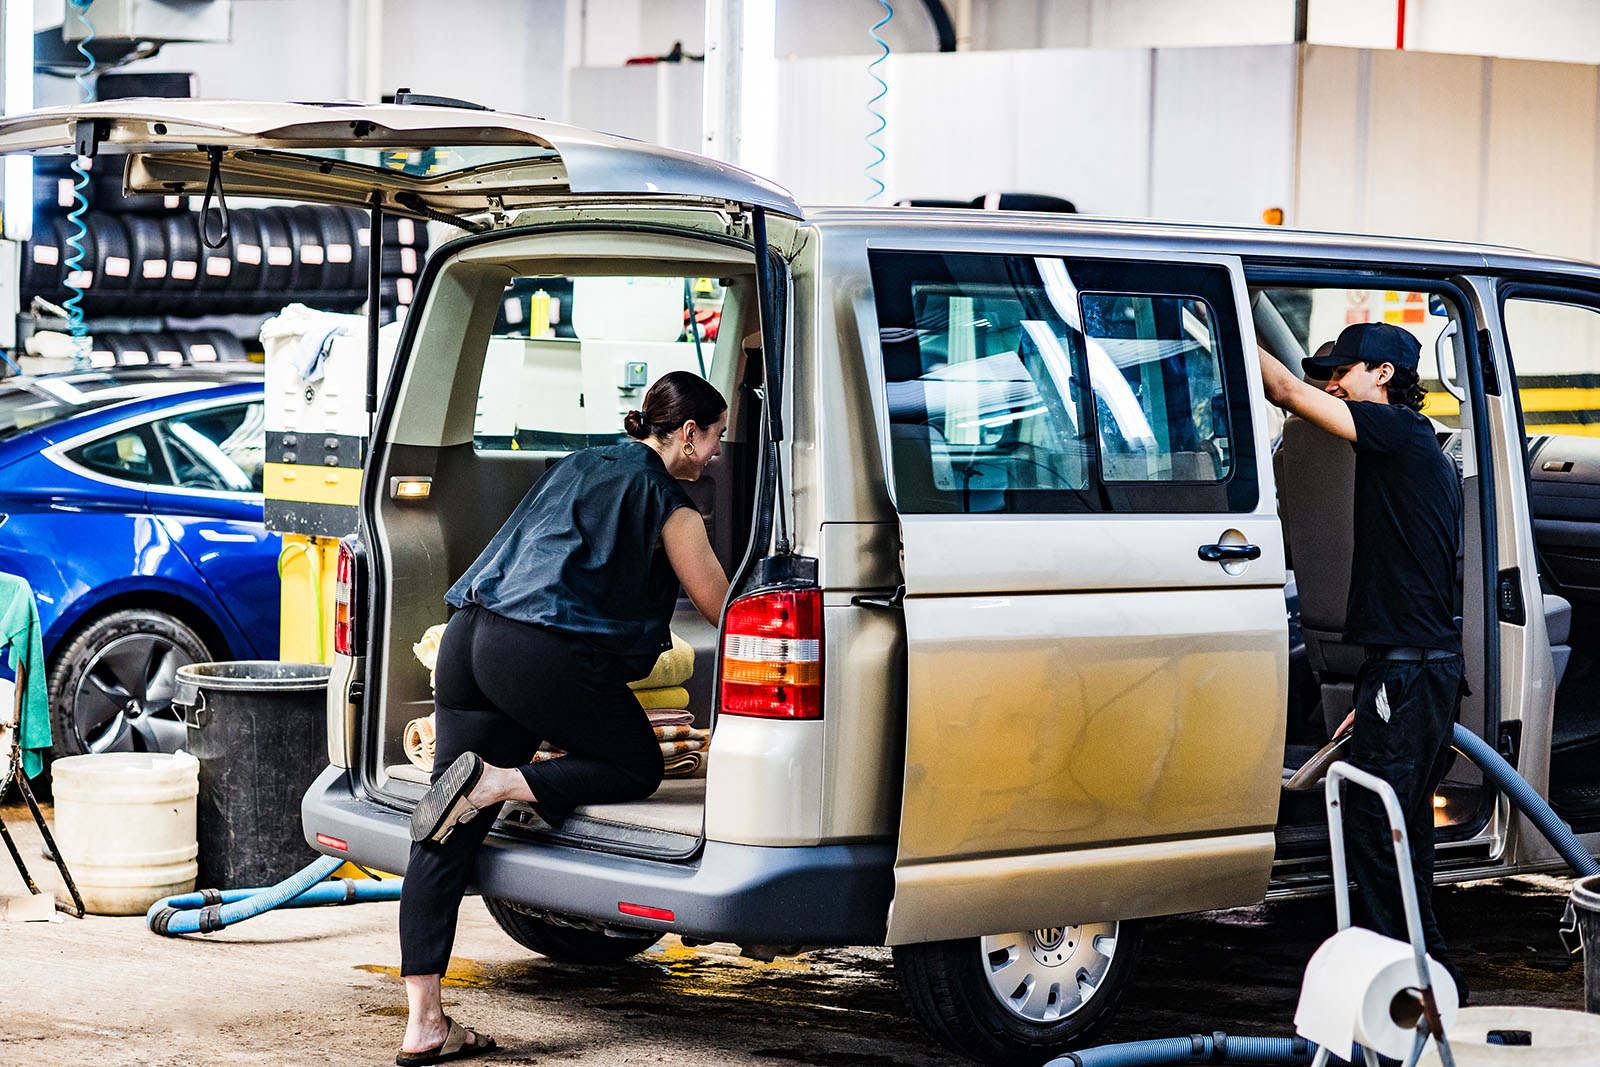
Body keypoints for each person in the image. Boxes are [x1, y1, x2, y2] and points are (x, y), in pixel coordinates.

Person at [395, 370, 731, 1065]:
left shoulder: (579, 463)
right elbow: (721, 607)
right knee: (634, 763)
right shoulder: (671, 503)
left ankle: (424, 1023)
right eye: (717, 436)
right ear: (688, 433)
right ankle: (498, 781)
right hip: (535, 650)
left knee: (444, 830)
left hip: (467, 635)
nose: (719, 453)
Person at [1258, 322, 1466, 991]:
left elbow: (1287, 391)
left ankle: (1414, 990)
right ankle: (1425, 984)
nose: (1332, 385)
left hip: (1410, 674)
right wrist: (1374, 692)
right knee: (1403, 834)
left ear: (1382, 373)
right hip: (1411, 673)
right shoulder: (1413, 446)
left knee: (1377, 834)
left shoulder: (1397, 429)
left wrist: (1215, 315)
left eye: (1343, 372)